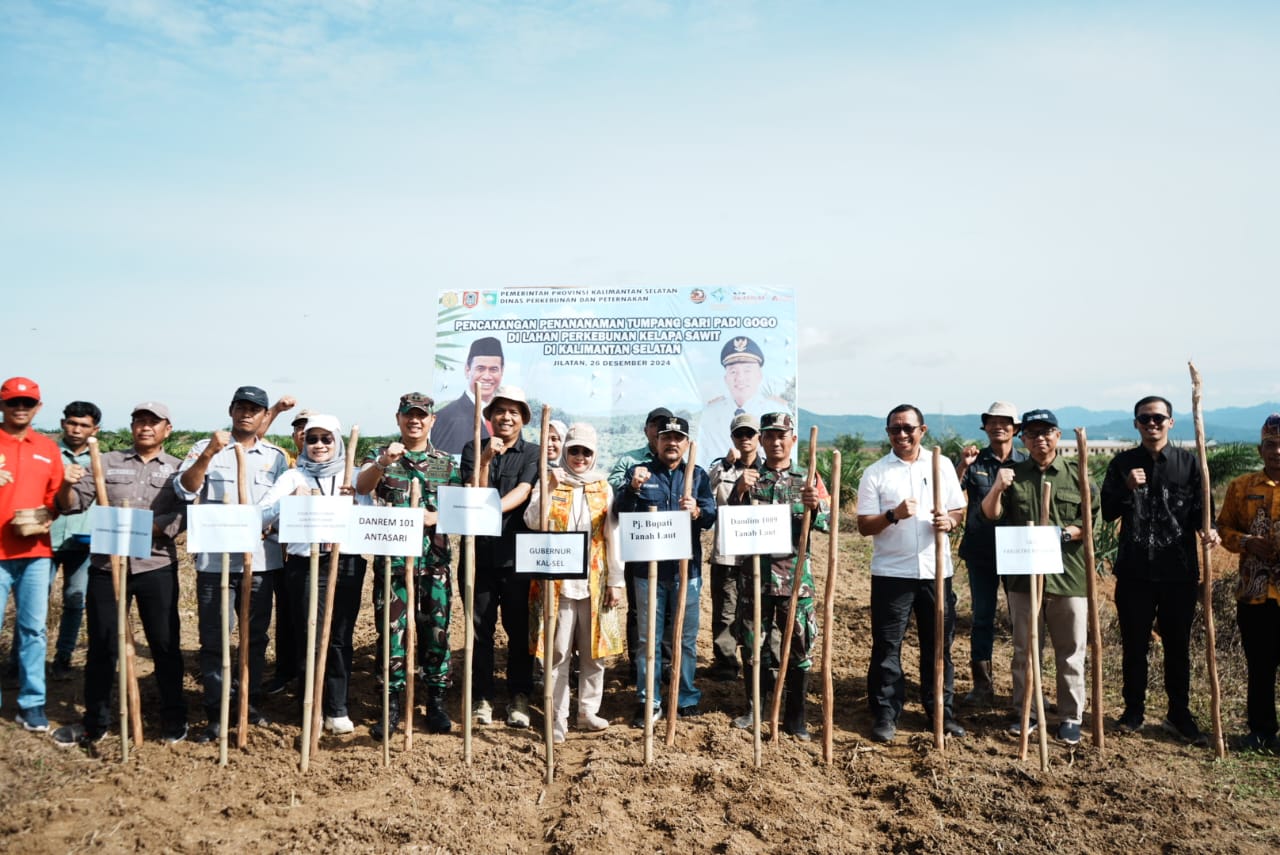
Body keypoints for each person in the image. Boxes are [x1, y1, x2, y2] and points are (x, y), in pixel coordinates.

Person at [53, 402, 189, 745]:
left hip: (155, 566)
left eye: (153, 422)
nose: (146, 427)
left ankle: (175, 720)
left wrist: (138, 528)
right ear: (131, 427)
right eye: (139, 421)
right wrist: (65, 484)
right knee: (102, 645)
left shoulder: (177, 470)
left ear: (166, 429)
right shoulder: (107, 462)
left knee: (164, 643)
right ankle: (95, 724)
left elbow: (179, 519)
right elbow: (73, 504)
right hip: (106, 567)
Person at [175, 385, 288, 743]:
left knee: (254, 639)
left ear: (263, 415)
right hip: (215, 564)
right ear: (230, 409)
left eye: (254, 409)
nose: (246, 413)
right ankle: (216, 712)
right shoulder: (203, 448)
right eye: (241, 407)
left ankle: (246, 705)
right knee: (215, 641)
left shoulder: (275, 457)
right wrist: (209, 453)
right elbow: (185, 490)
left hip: (260, 563)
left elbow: (279, 505)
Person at [1102, 395, 1218, 743]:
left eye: (1158, 418)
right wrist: (1127, 488)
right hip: (1135, 572)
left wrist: (1210, 531)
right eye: (1145, 419)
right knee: (1134, 644)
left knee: (1178, 645)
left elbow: (1202, 514)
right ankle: (1133, 710)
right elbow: (1107, 512)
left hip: (1178, 574)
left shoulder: (1190, 464)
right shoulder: (1123, 464)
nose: (1152, 424)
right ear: (1136, 424)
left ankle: (1178, 714)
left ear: (1171, 422)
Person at [981, 408, 1097, 747]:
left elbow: (1091, 524)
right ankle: (1027, 711)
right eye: (1032, 434)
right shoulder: (1013, 474)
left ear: (1058, 436)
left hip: (1068, 578)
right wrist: (997, 489)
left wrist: (1062, 535)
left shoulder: (1078, 475)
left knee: (1070, 650)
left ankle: (1070, 717)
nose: (1040, 439)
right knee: (1024, 648)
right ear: (1023, 439)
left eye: (1046, 432)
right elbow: (991, 516)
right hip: (1023, 579)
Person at [856, 404, 966, 744]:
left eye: (908, 428)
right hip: (892, 573)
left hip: (936, 572)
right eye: (894, 429)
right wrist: (893, 514)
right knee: (888, 647)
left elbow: (958, 508)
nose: (901, 435)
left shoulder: (942, 465)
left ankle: (939, 713)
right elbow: (863, 525)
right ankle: (886, 714)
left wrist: (950, 521)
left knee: (939, 646)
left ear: (923, 430)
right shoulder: (875, 473)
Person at [356, 393, 460, 737]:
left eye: (421, 416)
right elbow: (362, 485)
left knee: (436, 633)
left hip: (434, 563)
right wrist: (384, 461)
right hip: (394, 565)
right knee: (392, 634)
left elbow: (463, 509)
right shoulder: (382, 456)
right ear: (398, 418)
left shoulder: (446, 462)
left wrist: (437, 515)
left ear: (432, 421)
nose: (414, 421)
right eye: (408, 415)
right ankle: (391, 707)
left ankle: (436, 704)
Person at [260, 414, 369, 735]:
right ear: (303, 443)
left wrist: (355, 503)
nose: (319, 445)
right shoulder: (293, 477)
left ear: (338, 442)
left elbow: (369, 510)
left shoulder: (355, 477)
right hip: (304, 564)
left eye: (326, 439)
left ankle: (337, 707)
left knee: (338, 637)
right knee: (309, 634)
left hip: (346, 562)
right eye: (312, 439)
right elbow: (261, 514)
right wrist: (289, 503)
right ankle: (310, 707)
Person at [729, 412, 829, 740]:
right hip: (754, 578)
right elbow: (729, 527)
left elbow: (827, 525)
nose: (775, 442)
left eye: (781, 435)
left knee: (799, 646)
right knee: (752, 646)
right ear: (762, 439)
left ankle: (796, 717)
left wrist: (816, 507)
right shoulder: (749, 477)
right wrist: (738, 494)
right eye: (769, 436)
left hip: (795, 580)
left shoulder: (808, 479)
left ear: (793, 440)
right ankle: (754, 710)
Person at [523, 423, 625, 742]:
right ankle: (557, 716)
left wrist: (616, 581)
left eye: (586, 452)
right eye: (574, 451)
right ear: (565, 451)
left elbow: (613, 536)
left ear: (593, 455)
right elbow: (532, 522)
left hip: (595, 580)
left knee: (594, 652)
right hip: (557, 582)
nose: (580, 457)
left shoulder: (603, 487)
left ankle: (587, 711)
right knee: (557, 651)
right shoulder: (550, 480)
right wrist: (551, 488)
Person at [614, 415, 716, 726]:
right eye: (665, 437)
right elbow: (618, 511)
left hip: (687, 571)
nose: (671, 443)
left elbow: (710, 516)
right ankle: (649, 699)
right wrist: (632, 489)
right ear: (656, 441)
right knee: (649, 638)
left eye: (678, 438)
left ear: (686, 443)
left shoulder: (696, 476)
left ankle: (684, 696)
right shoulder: (641, 474)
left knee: (685, 638)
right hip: (648, 572)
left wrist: (696, 510)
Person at [460, 385, 540, 727]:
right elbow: (473, 491)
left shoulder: (533, 453)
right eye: (500, 411)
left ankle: (519, 696)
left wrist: (486, 512)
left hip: (517, 556)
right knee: (479, 630)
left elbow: (523, 493)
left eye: (514, 412)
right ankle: (482, 696)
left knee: (518, 629)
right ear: (489, 417)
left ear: (522, 419)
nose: (506, 417)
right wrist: (487, 458)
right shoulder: (472, 449)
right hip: (478, 556)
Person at [7, 401, 101, 684]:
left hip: (82, 542)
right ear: (62, 424)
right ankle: (18, 663)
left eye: (84, 425)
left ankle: (63, 658)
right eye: (72, 423)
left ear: (94, 429)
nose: (76, 430)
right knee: (32, 605)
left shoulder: (99, 460)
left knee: (74, 600)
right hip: (42, 540)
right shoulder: (47, 453)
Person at [0, 377, 67, 733]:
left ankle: (32, 703)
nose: (20, 408)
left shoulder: (47, 448)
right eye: (13, 403)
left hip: (36, 551)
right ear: (2, 406)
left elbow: (56, 501)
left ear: (38, 407)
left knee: (33, 629)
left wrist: (46, 517)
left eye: (27, 403)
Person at [1216, 413, 1280, 752]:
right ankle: (1261, 730)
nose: (1278, 451)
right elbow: (1223, 529)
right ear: (1260, 449)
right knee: (1260, 665)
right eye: (1271, 445)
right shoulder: (1241, 487)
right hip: (1254, 593)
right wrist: (1245, 542)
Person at [955, 401, 1025, 706]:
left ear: (1016, 429)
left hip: (1019, 551)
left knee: (1021, 619)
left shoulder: (1026, 463)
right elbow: (951, 496)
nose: (999, 426)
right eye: (992, 422)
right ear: (985, 427)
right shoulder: (975, 462)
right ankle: (982, 685)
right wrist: (962, 466)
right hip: (981, 550)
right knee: (982, 617)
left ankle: (1023, 687)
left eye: (1005, 422)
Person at [608, 406, 674, 684]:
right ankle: (639, 667)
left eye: (665, 427)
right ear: (646, 428)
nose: (660, 431)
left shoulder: (676, 461)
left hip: (670, 541)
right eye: (655, 426)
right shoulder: (630, 460)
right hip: (637, 542)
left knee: (670, 607)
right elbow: (613, 491)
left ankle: (667, 666)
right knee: (638, 608)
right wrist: (631, 482)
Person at [705, 412, 765, 682]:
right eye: (739, 434)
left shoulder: (770, 470)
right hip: (727, 554)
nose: (745, 439)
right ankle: (727, 665)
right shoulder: (721, 469)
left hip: (760, 555)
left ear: (759, 438)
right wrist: (729, 469)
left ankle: (757, 661)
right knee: (725, 612)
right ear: (732, 438)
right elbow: (705, 494)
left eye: (749, 434)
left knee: (758, 611)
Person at [262, 407, 315, 696]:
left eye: (312, 429)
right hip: (283, 550)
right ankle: (285, 670)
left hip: (314, 554)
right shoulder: (283, 463)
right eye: (300, 428)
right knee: (286, 612)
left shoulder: (330, 466)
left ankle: (308, 673)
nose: (305, 434)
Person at [695, 336, 789, 464]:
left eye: (747, 371)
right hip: (720, 480)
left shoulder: (777, 410)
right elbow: (702, 459)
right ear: (725, 378)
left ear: (759, 376)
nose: (740, 378)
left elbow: (788, 458)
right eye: (733, 372)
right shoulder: (711, 413)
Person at [431, 336, 505, 456]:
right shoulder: (445, 417)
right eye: (480, 369)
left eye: (493, 369)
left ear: (502, 371)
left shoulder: (508, 419)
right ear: (467, 370)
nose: (487, 376)